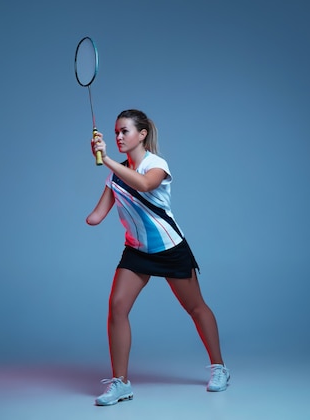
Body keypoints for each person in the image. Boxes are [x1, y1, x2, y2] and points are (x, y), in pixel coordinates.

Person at [86, 109, 229, 406]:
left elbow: (145, 185)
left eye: (124, 131)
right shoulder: (116, 175)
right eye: (115, 132)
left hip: (170, 249)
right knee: (117, 308)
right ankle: (121, 383)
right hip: (137, 251)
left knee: (196, 307)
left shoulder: (156, 164)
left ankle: (219, 369)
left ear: (142, 134)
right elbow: (97, 216)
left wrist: (107, 159)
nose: (118, 137)